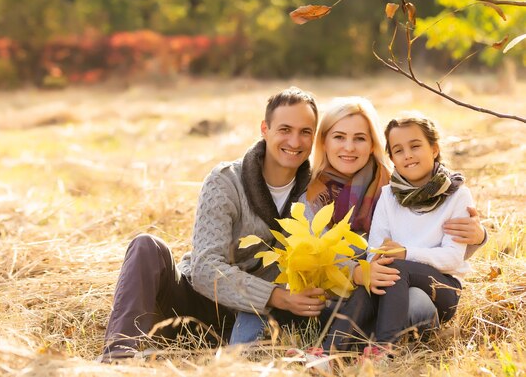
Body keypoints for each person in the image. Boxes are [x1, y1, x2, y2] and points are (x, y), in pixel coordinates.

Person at [230, 97, 486, 347]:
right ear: (325, 142)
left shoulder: (394, 185)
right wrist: (356, 272)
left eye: (360, 138)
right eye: (339, 137)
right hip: (336, 297)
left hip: (391, 290)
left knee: (417, 303)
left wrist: (478, 237)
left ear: (373, 144)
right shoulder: (308, 194)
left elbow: (433, 244)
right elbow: (310, 259)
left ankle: (371, 343)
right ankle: (355, 342)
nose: (349, 148)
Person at [101, 87, 327, 362]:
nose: (295, 140)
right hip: (194, 304)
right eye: (285, 129)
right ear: (265, 129)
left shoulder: (317, 191)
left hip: (252, 321)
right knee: (146, 246)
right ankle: (117, 358)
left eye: (305, 131)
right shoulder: (225, 181)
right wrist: (277, 296)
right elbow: (205, 269)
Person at [325, 114, 474, 357]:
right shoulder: (388, 195)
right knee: (380, 272)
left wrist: (405, 253)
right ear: (392, 158)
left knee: (394, 266)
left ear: (434, 149)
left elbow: (452, 258)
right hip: (396, 283)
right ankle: (329, 351)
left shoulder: (458, 195)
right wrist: (380, 262)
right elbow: (376, 249)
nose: (408, 155)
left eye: (415, 146)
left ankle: (383, 349)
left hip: (442, 290)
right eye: (398, 150)